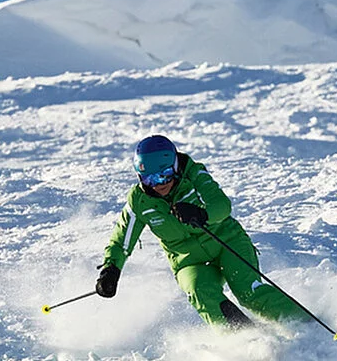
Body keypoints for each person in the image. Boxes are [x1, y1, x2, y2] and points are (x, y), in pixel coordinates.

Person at [95, 135, 306, 331]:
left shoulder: (194, 174)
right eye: (151, 179)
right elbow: (121, 239)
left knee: (248, 292)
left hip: (227, 242)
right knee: (199, 291)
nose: (160, 184)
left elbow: (222, 205)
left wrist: (202, 214)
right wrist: (111, 269)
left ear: (176, 167)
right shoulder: (139, 201)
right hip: (188, 260)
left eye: (165, 175)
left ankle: (303, 325)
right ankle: (245, 340)